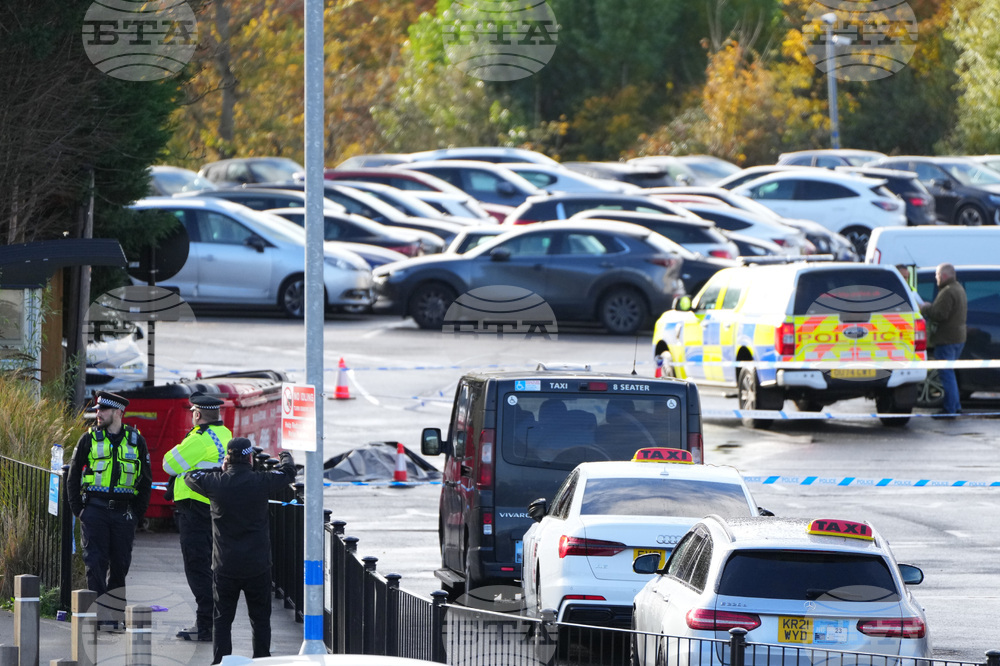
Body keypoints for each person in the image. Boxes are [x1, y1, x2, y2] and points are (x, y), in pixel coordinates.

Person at [185, 437, 296, 665]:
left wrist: (221, 469)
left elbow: (190, 476)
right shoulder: (260, 481)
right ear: (250, 457)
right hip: (257, 565)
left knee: (223, 620)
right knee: (260, 620)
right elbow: (288, 472)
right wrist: (285, 455)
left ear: (228, 458)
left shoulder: (216, 483)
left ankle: (221, 662)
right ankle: (262, 660)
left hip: (225, 565)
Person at [66, 391, 152, 632]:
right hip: (95, 511)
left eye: (103, 410)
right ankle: (100, 617)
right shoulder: (88, 439)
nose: (98, 414)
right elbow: (72, 479)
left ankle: (114, 616)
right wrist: (80, 511)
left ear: (117, 412)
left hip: (124, 514)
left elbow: (146, 482)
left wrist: (136, 515)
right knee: (95, 565)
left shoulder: (137, 441)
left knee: (120, 566)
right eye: (97, 409)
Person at [162, 392, 232, 642]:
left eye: (193, 412)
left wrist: (182, 448)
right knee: (212, 568)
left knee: (197, 567)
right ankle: (212, 622)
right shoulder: (225, 434)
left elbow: (168, 464)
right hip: (214, 509)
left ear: (198, 414)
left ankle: (205, 625)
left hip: (195, 510)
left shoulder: (199, 439)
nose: (192, 416)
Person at [920, 262, 967, 419]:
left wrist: (926, 307)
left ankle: (949, 409)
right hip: (958, 338)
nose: (936, 279)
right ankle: (955, 406)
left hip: (947, 339)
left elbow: (940, 314)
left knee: (946, 375)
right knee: (950, 374)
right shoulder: (959, 288)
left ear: (944, 276)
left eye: (937, 276)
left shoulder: (947, 292)